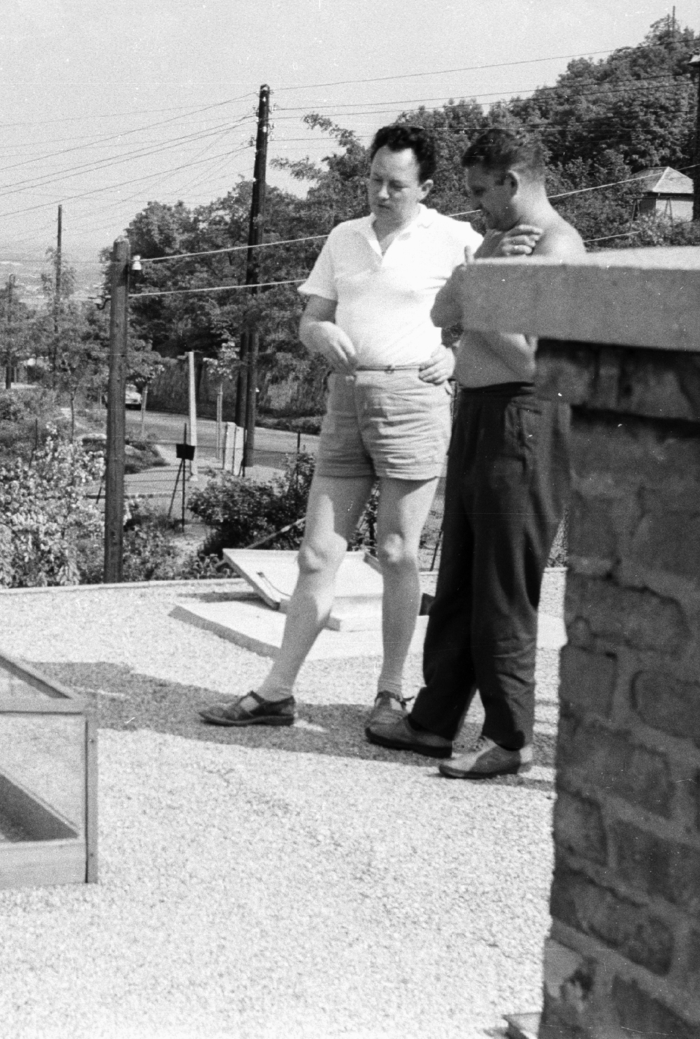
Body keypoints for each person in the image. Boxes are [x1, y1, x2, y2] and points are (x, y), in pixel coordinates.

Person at [201, 125, 494, 730]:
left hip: (413, 400)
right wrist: (319, 333)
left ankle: (391, 693)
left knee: (395, 552)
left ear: (426, 186)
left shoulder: (457, 238)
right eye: (373, 180)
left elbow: (500, 318)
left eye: (396, 184)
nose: (381, 194)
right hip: (346, 400)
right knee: (315, 555)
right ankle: (277, 692)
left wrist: (459, 356)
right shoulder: (344, 237)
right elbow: (311, 318)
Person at [365, 128, 584, 778]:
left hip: (527, 415)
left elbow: (540, 362)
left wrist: (482, 294)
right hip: (482, 412)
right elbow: (440, 313)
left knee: (502, 584)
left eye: (483, 192)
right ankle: (434, 721)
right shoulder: (499, 241)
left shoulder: (557, 247)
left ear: (513, 183)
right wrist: (478, 270)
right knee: (458, 574)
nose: (476, 206)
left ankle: (511, 736)